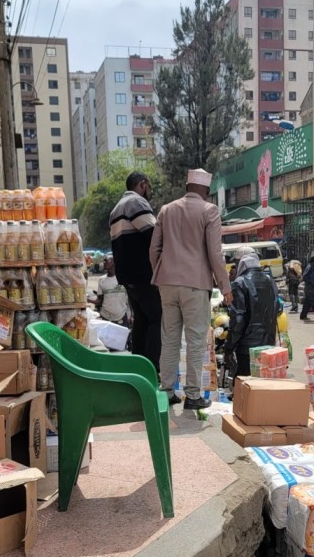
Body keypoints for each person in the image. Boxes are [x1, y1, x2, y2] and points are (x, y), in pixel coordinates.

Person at [151, 168, 232, 410]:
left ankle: (166, 391)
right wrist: (226, 288)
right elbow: (215, 254)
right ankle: (193, 395)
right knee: (195, 341)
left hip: (167, 283)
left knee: (170, 339)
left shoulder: (166, 210)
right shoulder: (209, 211)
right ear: (206, 191)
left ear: (187, 188)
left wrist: (162, 273)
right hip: (195, 285)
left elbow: (154, 249)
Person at [110, 171, 162, 372]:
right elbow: (155, 236)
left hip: (128, 277)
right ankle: (152, 370)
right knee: (158, 319)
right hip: (143, 274)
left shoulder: (116, 209)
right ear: (142, 184)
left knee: (142, 320)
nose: (149, 191)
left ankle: (139, 368)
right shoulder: (136, 203)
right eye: (148, 186)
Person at [224, 253, 279, 378]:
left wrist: (229, 348)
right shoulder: (270, 281)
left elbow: (238, 319)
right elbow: (278, 308)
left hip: (247, 347)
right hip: (268, 344)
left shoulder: (240, 283)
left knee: (246, 386)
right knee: (264, 386)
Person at [93, 257, 130, 326]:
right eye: (104, 261)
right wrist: (87, 300)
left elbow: (130, 298)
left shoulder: (123, 277)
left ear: (114, 262)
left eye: (107, 260)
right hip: (106, 317)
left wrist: (131, 315)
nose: (105, 262)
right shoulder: (101, 280)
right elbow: (100, 300)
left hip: (121, 316)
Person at [300, 255, 314, 321]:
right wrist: (313, 282)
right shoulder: (309, 267)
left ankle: (303, 315)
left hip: (312, 288)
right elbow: (304, 277)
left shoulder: (313, 267)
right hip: (310, 288)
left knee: (307, 303)